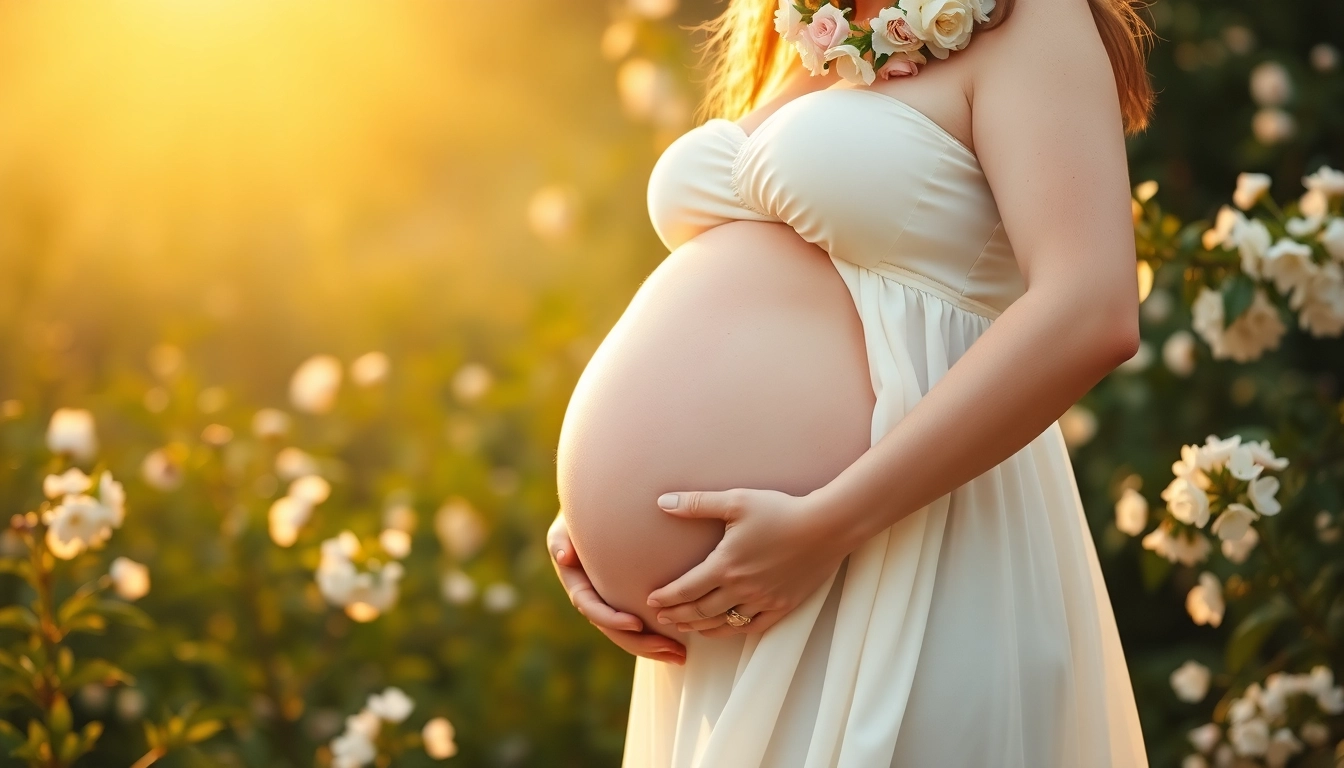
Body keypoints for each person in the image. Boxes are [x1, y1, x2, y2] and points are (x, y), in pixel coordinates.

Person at [549, 0, 1153, 763]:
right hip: (739, 603)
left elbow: (1090, 309)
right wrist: (595, 522)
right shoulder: (814, 26)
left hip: (896, 555)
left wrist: (828, 525)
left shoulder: (1028, 17)